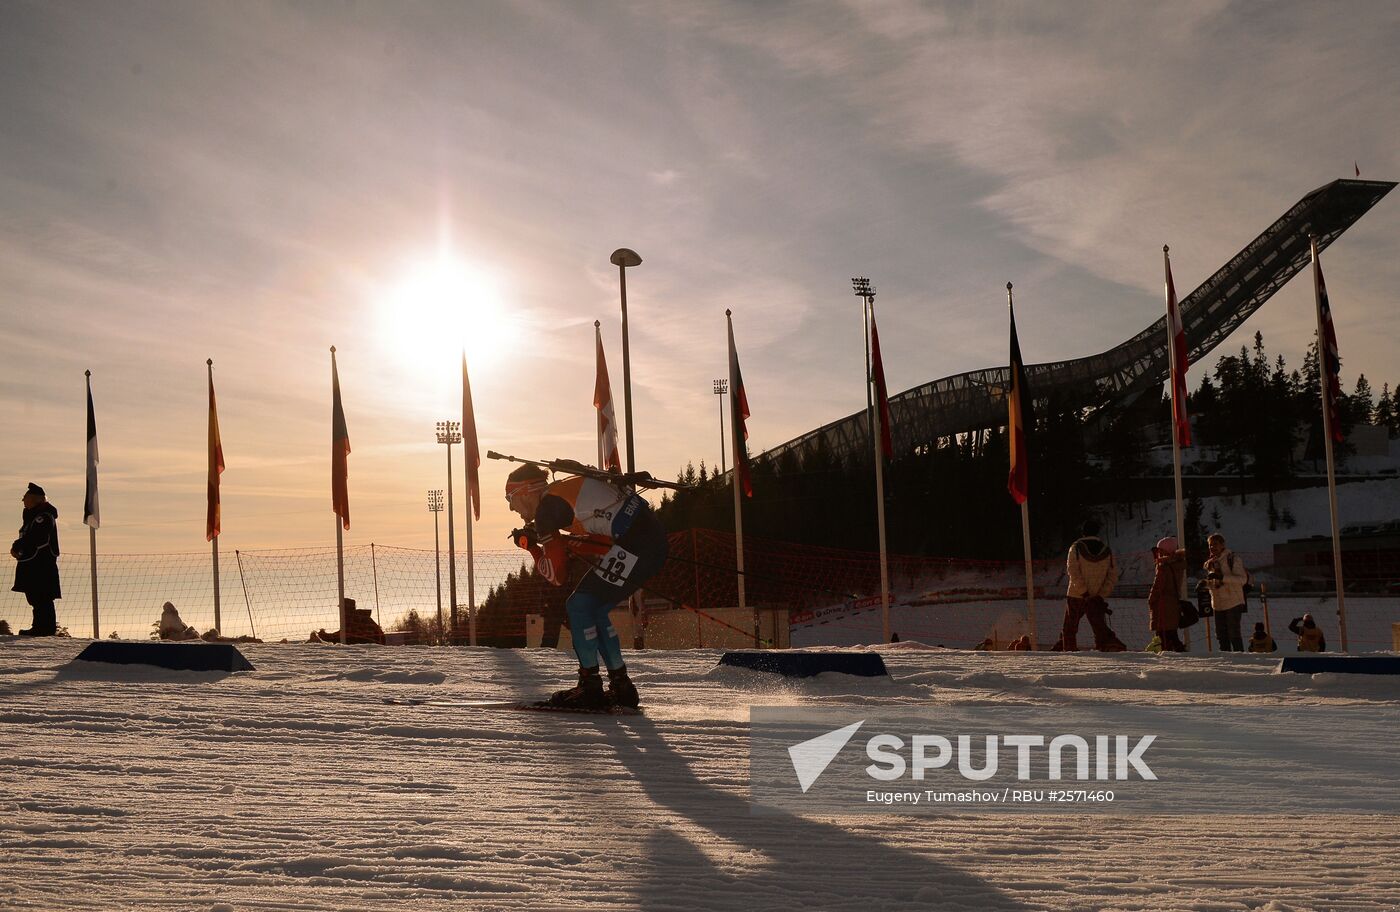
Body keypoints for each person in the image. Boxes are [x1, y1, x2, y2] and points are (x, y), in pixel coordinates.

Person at [506, 463, 668, 709]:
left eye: (510, 498)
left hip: (637, 545)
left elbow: (556, 576)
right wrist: (559, 542)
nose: (510, 507)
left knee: (579, 605)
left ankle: (590, 687)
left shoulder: (547, 511)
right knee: (594, 608)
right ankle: (621, 686)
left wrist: (532, 548)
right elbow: (600, 542)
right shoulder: (561, 493)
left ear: (526, 491)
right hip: (646, 540)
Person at [1061, 518, 1126, 652]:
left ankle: (1069, 653)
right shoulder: (1107, 550)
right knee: (1099, 628)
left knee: (1069, 629)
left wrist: (1084, 592)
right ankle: (1104, 651)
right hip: (1096, 596)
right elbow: (1112, 575)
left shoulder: (1076, 548)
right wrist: (1101, 595)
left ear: (1083, 532)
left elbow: (1072, 571)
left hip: (1076, 595)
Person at [11, 483, 60, 637]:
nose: (23, 501)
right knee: (34, 596)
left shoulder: (43, 517)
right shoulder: (31, 516)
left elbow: (37, 537)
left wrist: (18, 545)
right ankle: (39, 626)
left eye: (25, 497)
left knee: (42, 596)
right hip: (31, 563)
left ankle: (45, 628)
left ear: (35, 499)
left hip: (40, 564)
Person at [1204, 533, 1248, 652]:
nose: (1212, 547)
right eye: (1210, 545)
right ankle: (1225, 659)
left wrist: (1222, 577)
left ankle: (1240, 658)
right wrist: (1205, 585)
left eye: (1215, 544)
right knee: (1221, 635)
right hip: (1218, 604)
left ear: (1222, 545)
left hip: (1233, 602)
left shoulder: (1232, 559)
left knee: (1234, 634)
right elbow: (1215, 584)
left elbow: (1242, 580)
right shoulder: (1211, 563)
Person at [1147, 536, 1188, 652]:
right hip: (1173, 603)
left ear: (1166, 551)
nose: (1158, 553)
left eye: (1160, 550)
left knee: (1163, 636)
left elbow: (1157, 586)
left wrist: (1151, 599)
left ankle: (1168, 657)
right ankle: (1181, 653)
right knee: (1172, 634)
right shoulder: (1178, 564)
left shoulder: (1164, 567)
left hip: (1163, 605)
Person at [310, 597, 386, 645]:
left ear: (345, 608)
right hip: (373, 642)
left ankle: (318, 641)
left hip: (370, 643)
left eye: (341, 608)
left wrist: (323, 636)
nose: (340, 611)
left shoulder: (354, 618)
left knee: (340, 641)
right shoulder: (358, 616)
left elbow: (344, 635)